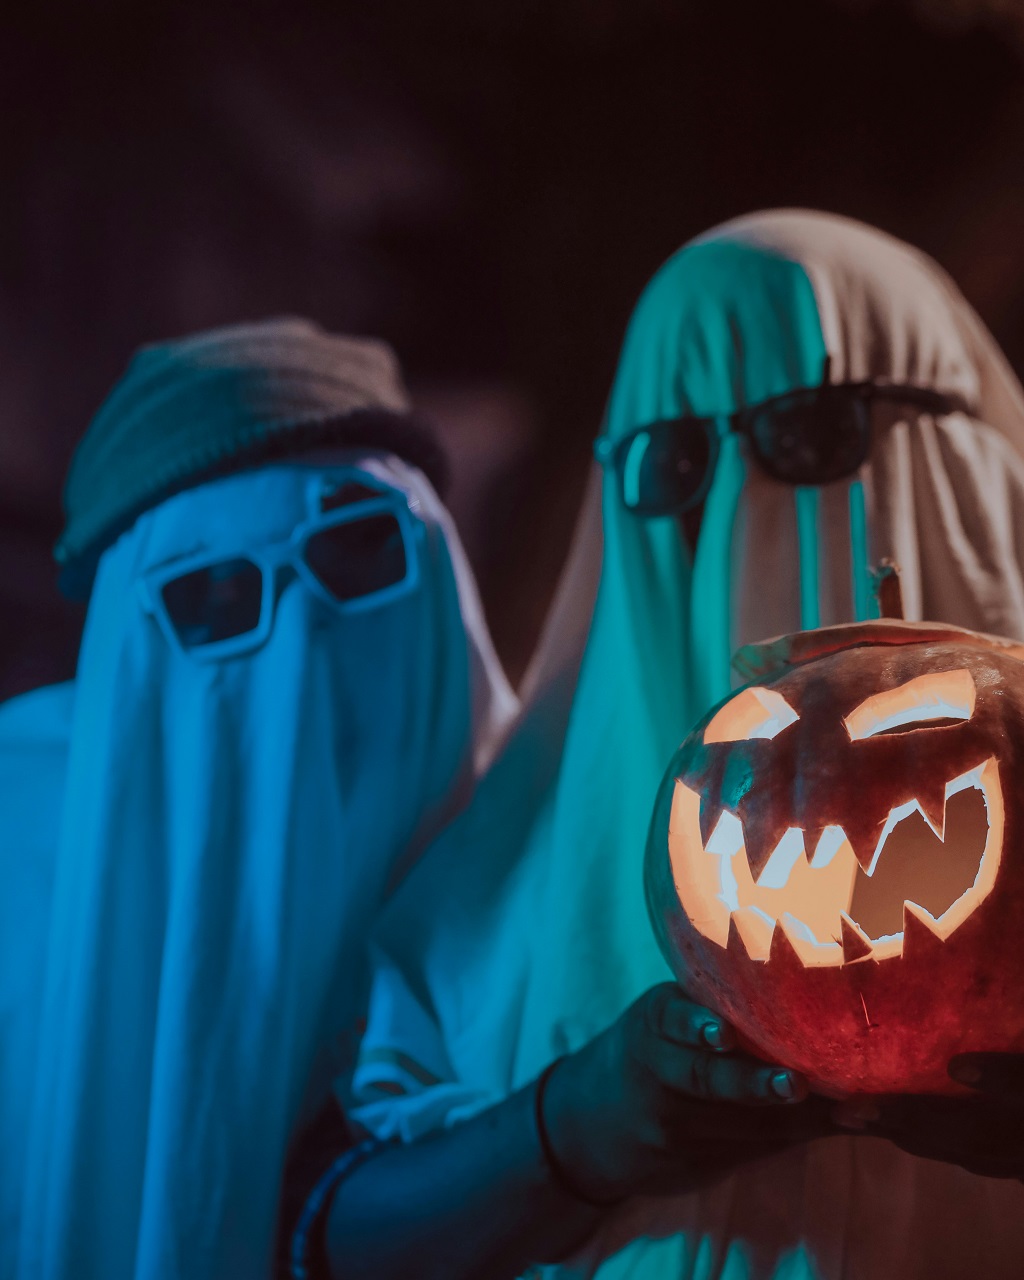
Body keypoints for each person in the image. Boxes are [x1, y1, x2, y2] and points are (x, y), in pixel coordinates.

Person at [305, 211, 1024, 1279]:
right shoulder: (500, 861)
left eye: (812, 433)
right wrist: (570, 1130)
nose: (738, 499)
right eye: (675, 459)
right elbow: (330, 1238)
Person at [7, 317, 516, 1280]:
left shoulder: (557, 838)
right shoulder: (18, 831)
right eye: (218, 597)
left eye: (358, 552)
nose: (303, 642)